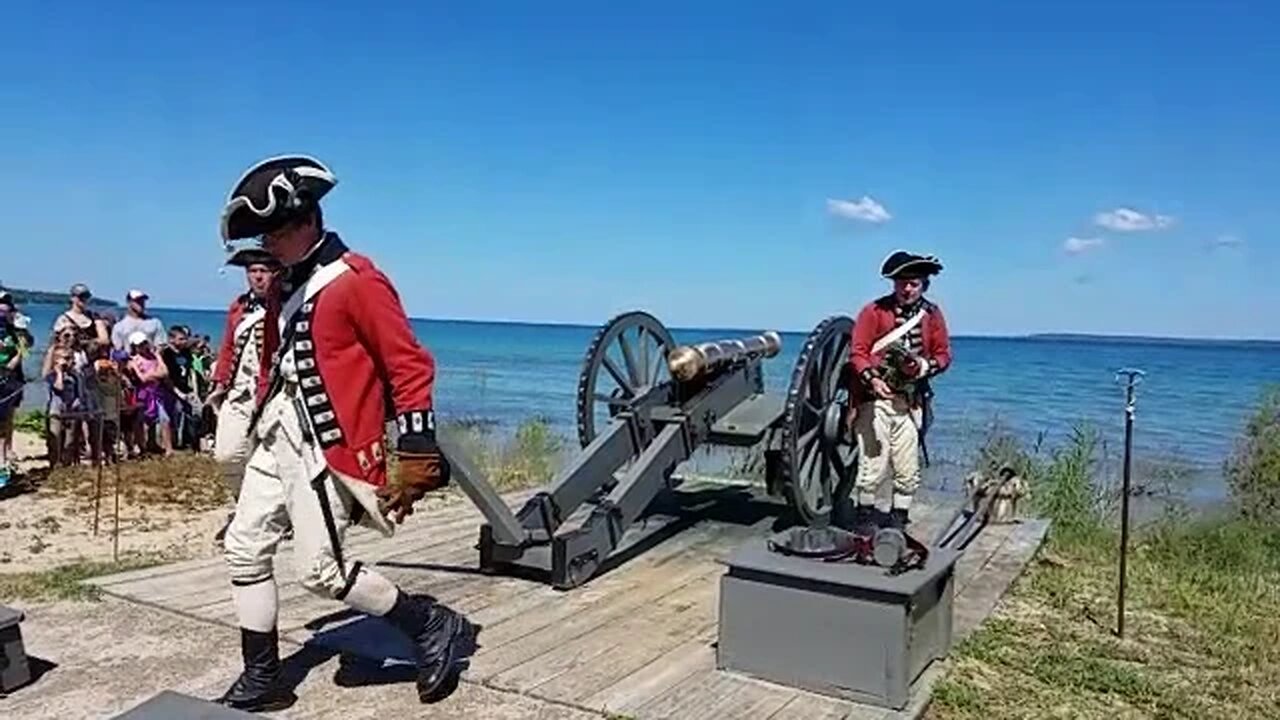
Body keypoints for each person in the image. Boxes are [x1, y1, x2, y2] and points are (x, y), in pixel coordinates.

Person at [214, 155, 469, 711]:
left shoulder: (356, 280)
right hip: (276, 435)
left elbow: (408, 364)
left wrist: (417, 444)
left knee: (319, 573)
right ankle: (263, 677)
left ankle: (429, 621)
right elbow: (277, 364)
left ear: (305, 222)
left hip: (323, 448)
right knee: (244, 547)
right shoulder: (285, 286)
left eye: (275, 232)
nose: (268, 246)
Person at [848, 250, 953, 533]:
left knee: (907, 467)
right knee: (873, 462)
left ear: (923, 285)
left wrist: (922, 366)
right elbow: (857, 353)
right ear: (894, 284)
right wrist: (872, 380)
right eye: (902, 282)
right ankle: (865, 520)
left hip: (910, 401)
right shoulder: (873, 312)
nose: (907, 288)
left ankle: (898, 520)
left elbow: (943, 355)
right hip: (876, 398)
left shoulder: (932, 315)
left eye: (914, 283)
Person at [207, 247, 280, 542]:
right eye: (253, 271)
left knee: (267, 462)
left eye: (264, 270)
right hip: (239, 394)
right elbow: (227, 348)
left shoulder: (284, 304)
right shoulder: (238, 307)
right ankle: (244, 510)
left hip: (271, 395)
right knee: (226, 455)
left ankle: (260, 518)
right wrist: (219, 382)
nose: (258, 276)